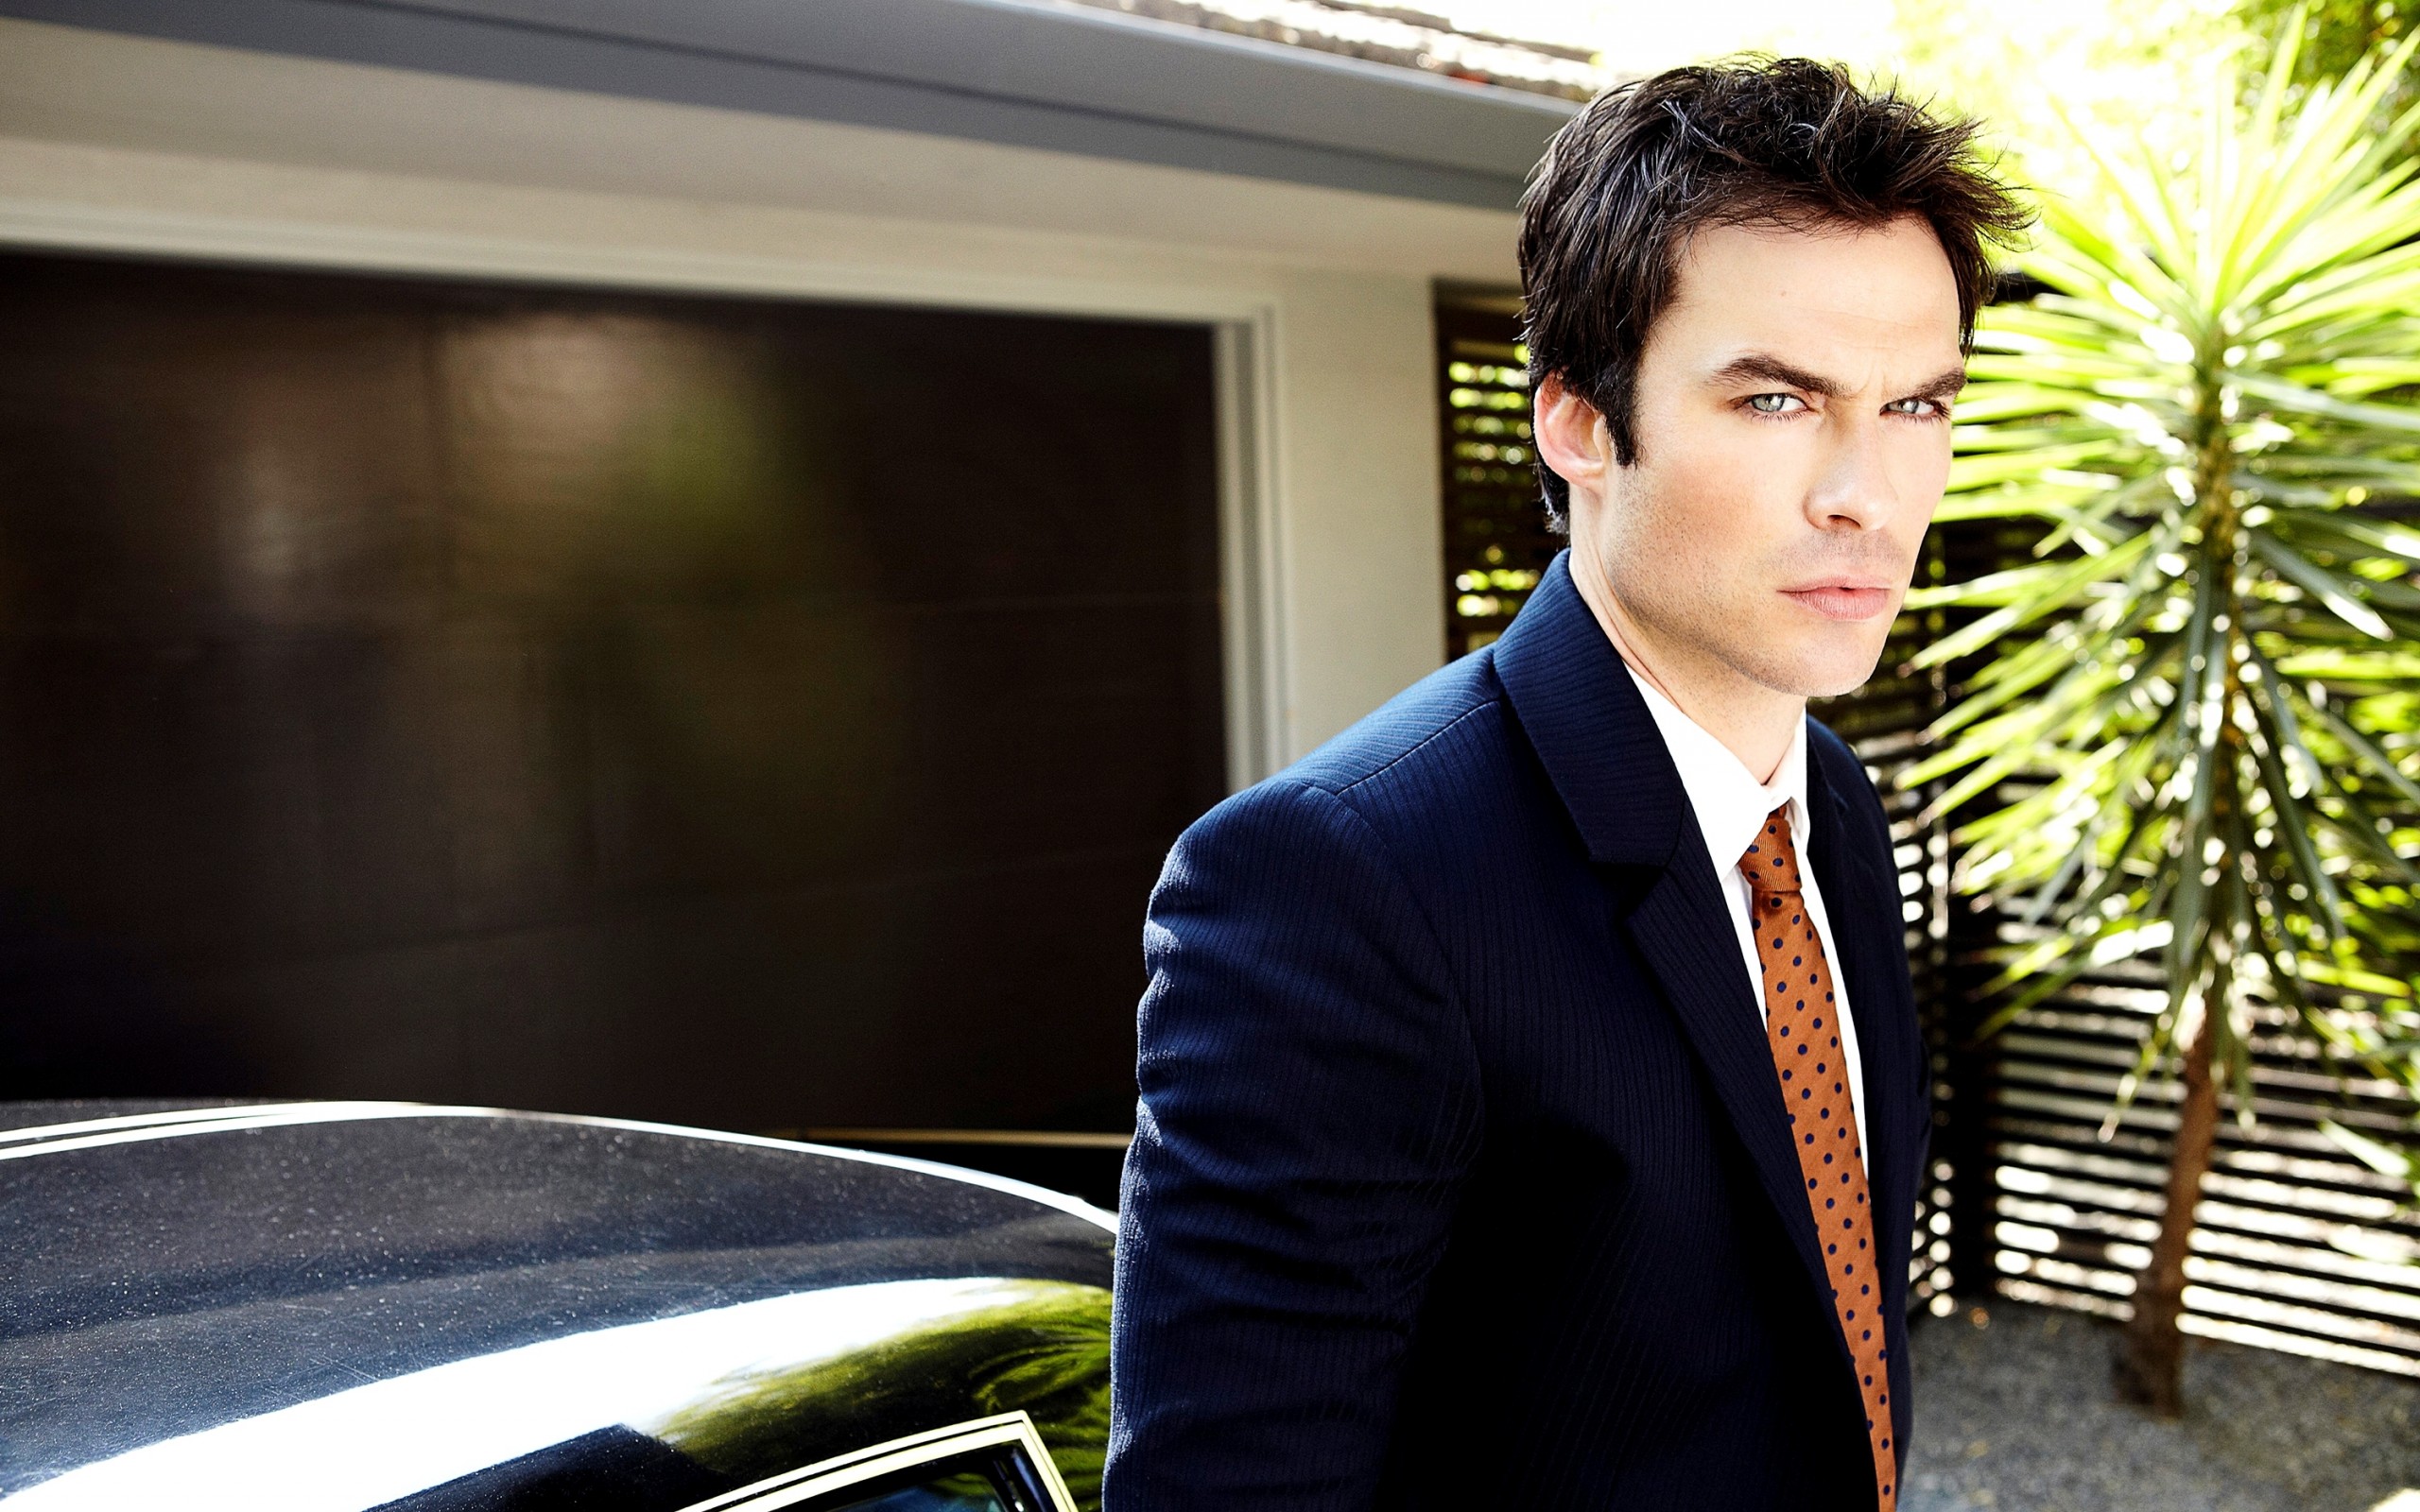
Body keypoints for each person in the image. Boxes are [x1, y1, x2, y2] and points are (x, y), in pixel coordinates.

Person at [1103, 57, 2031, 1512]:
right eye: (1777, 398)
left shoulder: (1830, 806)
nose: (1867, 493)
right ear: (1581, 425)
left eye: (1916, 406)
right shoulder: (1337, 884)